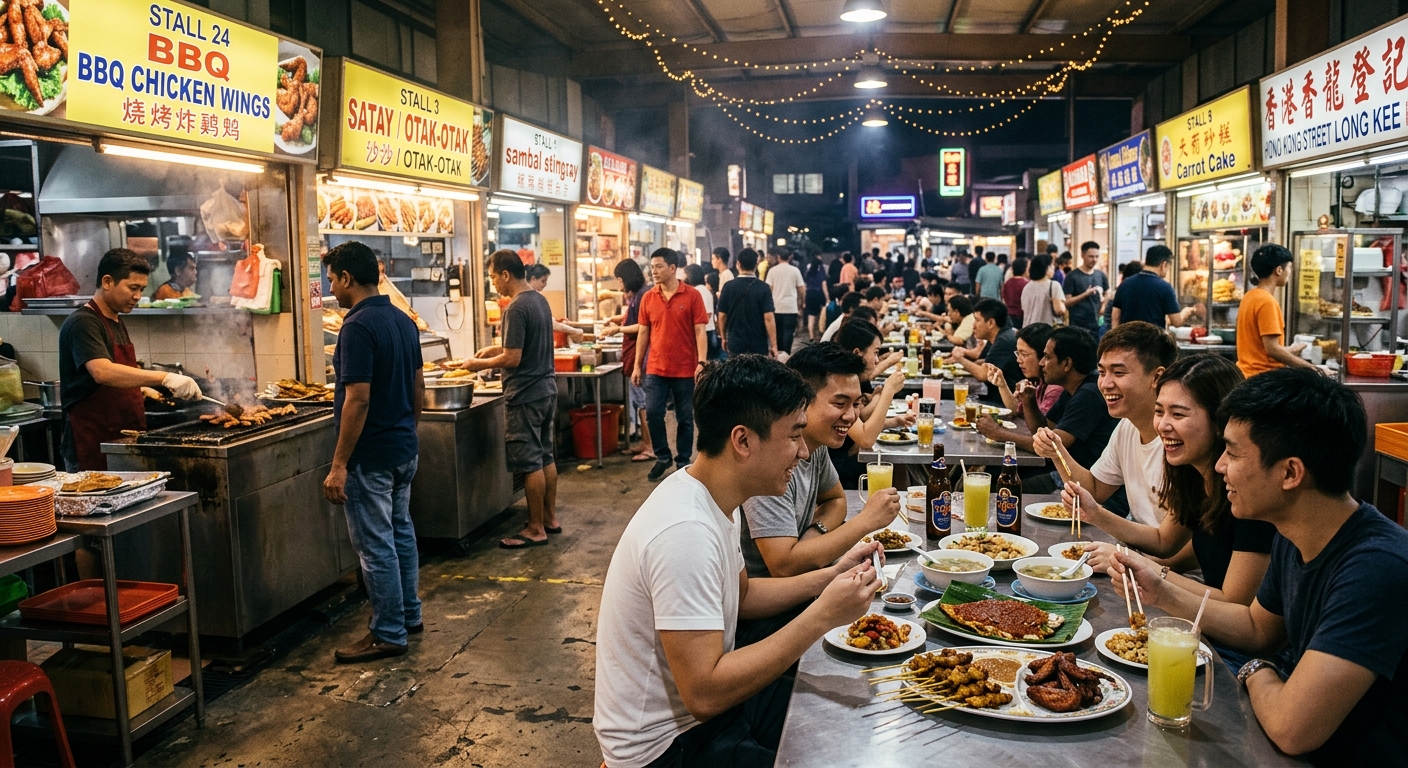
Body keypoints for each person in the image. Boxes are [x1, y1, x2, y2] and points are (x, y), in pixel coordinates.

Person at [594, 355, 882, 768]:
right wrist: (822, 616)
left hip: (706, 722)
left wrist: (832, 574)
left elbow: (743, 595)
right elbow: (704, 695)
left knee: (849, 713)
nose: (803, 453)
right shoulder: (685, 532)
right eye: (794, 436)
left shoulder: (714, 498)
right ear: (743, 441)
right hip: (666, 748)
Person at [1112, 369, 1408, 764]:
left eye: (1232, 453)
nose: (1219, 467)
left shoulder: (1376, 567)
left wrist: (1253, 670)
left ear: (1290, 473)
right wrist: (1160, 589)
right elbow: (1258, 628)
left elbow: (1292, 729)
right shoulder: (1292, 531)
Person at [1070, 355, 1276, 671]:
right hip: (1203, 630)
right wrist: (1097, 516)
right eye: (1159, 411)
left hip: (1236, 653)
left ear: (1222, 420)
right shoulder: (1194, 473)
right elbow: (1165, 541)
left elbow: (1236, 605)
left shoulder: (1249, 492)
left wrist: (1158, 578)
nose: (1163, 425)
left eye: (1178, 414)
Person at [321, 241, 425, 662]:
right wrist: (408, 433)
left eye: (332, 279)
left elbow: (357, 398)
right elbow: (419, 388)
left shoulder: (357, 327)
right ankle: (408, 616)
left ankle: (387, 631)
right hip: (402, 449)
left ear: (347, 278)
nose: (331, 288)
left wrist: (339, 464)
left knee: (375, 545)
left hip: (371, 457)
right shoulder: (402, 321)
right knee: (400, 533)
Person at [739, 343, 901, 583]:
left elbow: (836, 501)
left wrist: (812, 536)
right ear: (802, 400)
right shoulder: (770, 459)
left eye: (856, 404)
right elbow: (783, 566)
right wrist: (865, 521)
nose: (851, 416)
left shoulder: (815, 444)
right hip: (771, 606)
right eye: (839, 403)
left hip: (807, 583)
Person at [59, 249, 202, 471]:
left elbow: (119, 372)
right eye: (132, 288)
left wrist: (143, 388)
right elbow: (102, 371)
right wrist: (164, 378)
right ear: (107, 281)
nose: (137, 296)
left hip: (119, 437)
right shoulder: (83, 323)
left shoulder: (115, 320)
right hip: (91, 441)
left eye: (142, 290)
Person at [1029, 321, 1179, 526]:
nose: (1105, 384)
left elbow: (1175, 545)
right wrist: (1057, 452)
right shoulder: (1126, 427)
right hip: (1136, 550)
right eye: (1101, 372)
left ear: (1157, 377)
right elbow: (1094, 489)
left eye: (1118, 373)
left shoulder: (1177, 439)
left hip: (1151, 555)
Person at [462, 251, 561, 547]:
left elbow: (514, 357)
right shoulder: (539, 300)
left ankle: (534, 529)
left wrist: (475, 365)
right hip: (546, 390)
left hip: (526, 395)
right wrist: (493, 350)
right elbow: (520, 346)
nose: (493, 284)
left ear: (506, 274)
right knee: (545, 455)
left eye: (493, 277)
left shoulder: (516, 307)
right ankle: (549, 519)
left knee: (530, 462)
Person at [634, 248, 708, 482]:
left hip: (685, 369)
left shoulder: (692, 295)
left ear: (673, 268)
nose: (653, 271)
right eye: (652, 267)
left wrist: (701, 362)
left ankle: (683, 461)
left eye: (658, 266)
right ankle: (663, 456)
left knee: (685, 418)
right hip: (656, 368)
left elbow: (700, 331)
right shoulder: (648, 297)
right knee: (654, 413)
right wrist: (638, 366)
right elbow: (643, 333)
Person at [1013, 327, 1117, 490]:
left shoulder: (1089, 393)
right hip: (1064, 472)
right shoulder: (1072, 388)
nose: (1041, 363)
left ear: (1067, 363)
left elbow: (1051, 444)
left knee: (1006, 490)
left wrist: (998, 435)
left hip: (1082, 481)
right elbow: (1044, 429)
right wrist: (1029, 400)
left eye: (1047, 357)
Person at [601, 259, 653, 462]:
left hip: (642, 358)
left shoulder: (642, 296)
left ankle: (650, 447)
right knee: (641, 403)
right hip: (636, 357)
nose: (619, 284)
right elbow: (634, 319)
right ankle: (645, 443)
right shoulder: (639, 296)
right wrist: (616, 320)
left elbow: (642, 327)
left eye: (619, 280)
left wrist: (618, 328)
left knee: (643, 404)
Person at [1237, 244, 1313, 377]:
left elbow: (1260, 347)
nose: (1290, 272)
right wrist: (1313, 369)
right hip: (1263, 379)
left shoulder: (1249, 296)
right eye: (1289, 267)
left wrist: (1289, 350)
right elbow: (1272, 349)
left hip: (1246, 374)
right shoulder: (1267, 301)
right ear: (1279, 270)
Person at [983, 322, 1062, 417]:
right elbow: (1017, 411)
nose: (1018, 360)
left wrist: (994, 431)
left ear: (1043, 355)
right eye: (1018, 353)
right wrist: (1002, 385)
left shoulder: (1055, 389)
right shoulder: (1040, 381)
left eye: (1024, 354)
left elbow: (1039, 427)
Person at [950, 298, 1021, 404]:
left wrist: (960, 359)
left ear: (991, 323)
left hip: (1004, 403)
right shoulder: (998, 336)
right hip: (994, 396)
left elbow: (983, 374)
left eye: (977, 320)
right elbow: (985, 363)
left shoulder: (1004, 341)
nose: (973, 325)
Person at [1111, 245, 1195, 329]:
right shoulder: (1165, 287)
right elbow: (1177, 321)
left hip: (1128, 339)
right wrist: (1187, 311)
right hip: (1153, 340)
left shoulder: (1125, 284)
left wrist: (1116, 339)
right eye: (1168, 267)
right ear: (1164, 264)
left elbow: (1115, 318)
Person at [717, 248, 778, 358]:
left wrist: (724, 338)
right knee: (758, 373)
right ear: (756, 265)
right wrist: (774, 345)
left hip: (735, 342)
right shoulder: (764, 288)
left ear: (738, 264)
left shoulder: (728, 286)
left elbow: (722, 316)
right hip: (758, 343)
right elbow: (769, 317)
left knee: (736, 372)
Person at [526, 263, 585, 342]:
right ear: (533, 279)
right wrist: (576, 331)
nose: (545, 284)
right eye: (543, 281)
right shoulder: (531, 299)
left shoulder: (534, 297)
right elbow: (551, 323)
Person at [1062, 242, 1108, 336]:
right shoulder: (1072, 276)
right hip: (1078, 326)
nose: (1094, 260)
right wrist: (1085, 294)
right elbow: (1067, 302)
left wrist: (1103, 305)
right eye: (1091, 256)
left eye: (1096, 256)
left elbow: (1108, 292)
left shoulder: (1101, 275)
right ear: (1082, 255)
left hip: (1097, 325)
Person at [766, 249, 806, 355]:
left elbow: (768, 289)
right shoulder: (795, 270)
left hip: (776, 307)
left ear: (778, 257)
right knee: (789, 332)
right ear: (789, 258)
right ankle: (786, 354)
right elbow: (801, 288)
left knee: (777, 333)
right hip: (790, 307)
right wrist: (802, 302)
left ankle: (778, 355)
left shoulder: (772, 271)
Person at [683, 264, 718, 363]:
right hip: (708, 331)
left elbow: (707, 314)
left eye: (686, 274)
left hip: (705, 332)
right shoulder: (703, 289)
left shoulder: (699, 291)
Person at [1020, 253, 1066, 327]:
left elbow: (1024, 308)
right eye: (1052, 265)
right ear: (1046, 269)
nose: (1054, 267)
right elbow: (1060, 310)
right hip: (1046, 331)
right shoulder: (1053, 285)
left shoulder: (1027, 287)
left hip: (1028, 330)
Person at [802, 255, 828, 342]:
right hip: (819, 294)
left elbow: (805, 285)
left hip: (809, 294)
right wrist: (827, 297)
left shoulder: (809, 272)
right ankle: (819, 334)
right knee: (821, 316)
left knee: (811, 317)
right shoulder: (821, 270)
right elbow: (823, 284)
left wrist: (804, 298)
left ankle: (811, 337)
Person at [1002, 256, 1029, 328]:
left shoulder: (1007, 283)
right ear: (1025, 269)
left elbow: (1004, 297)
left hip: (1009, 314)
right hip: (1021, 316)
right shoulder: (1026, 284)